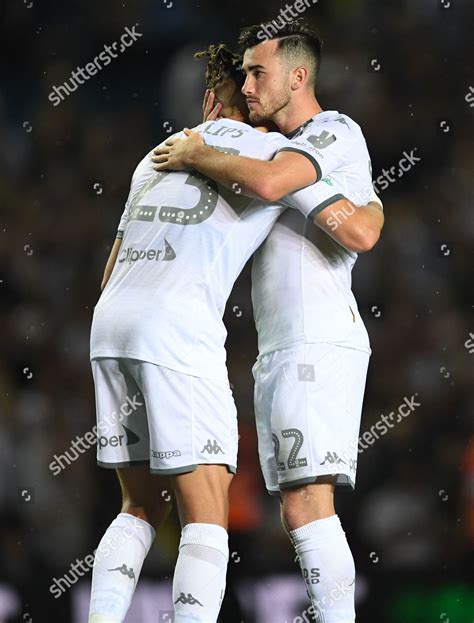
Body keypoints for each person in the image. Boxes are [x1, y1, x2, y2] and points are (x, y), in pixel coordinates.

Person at [88, 44, 377, 623]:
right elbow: (326, 206)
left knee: (158, 505)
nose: (249, 88)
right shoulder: (269, 149)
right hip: (223, 341)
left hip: (298, 343)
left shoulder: (167, 153)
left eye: (257, 75)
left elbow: (361, 227)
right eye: (242, 78)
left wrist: (199, 152)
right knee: (227, 511)